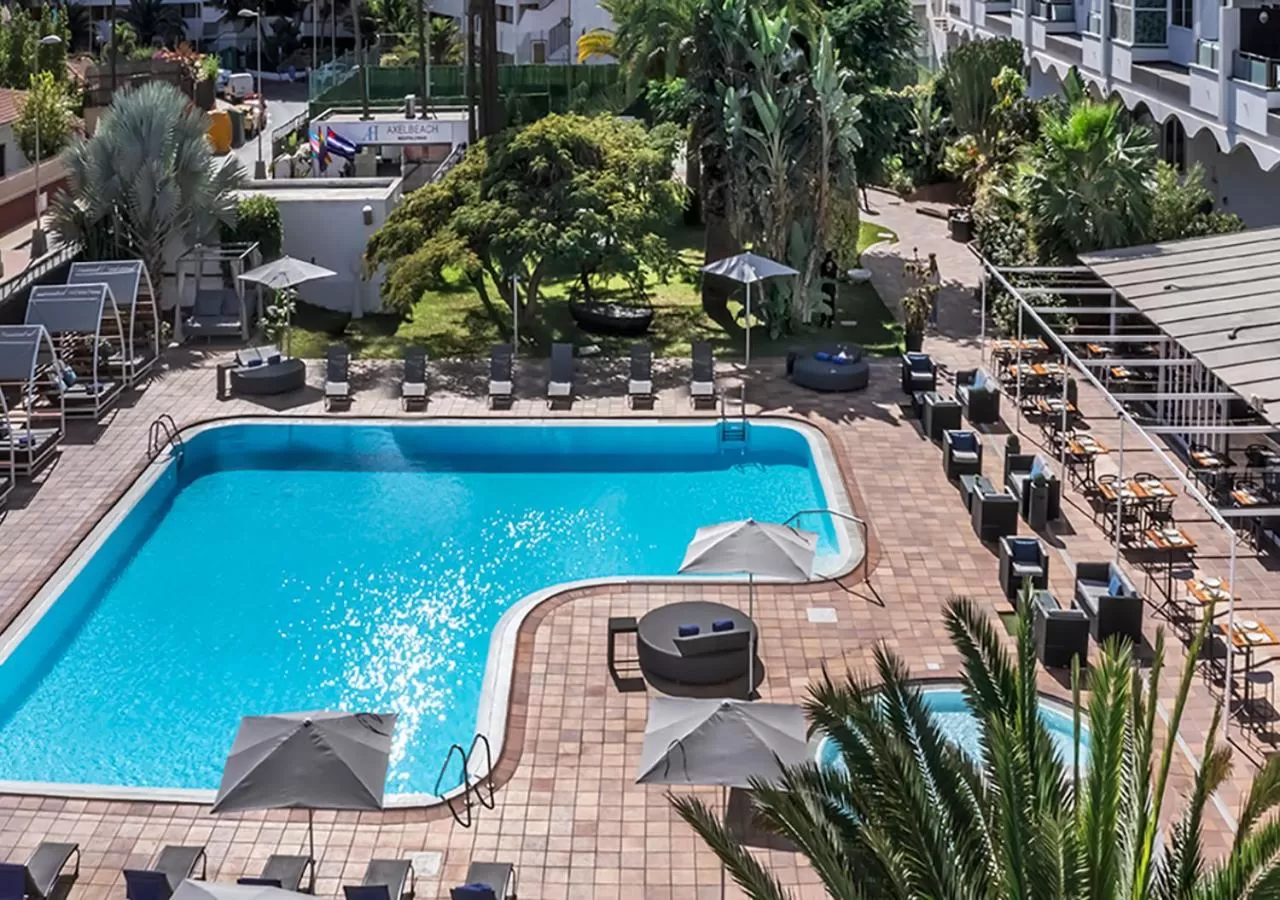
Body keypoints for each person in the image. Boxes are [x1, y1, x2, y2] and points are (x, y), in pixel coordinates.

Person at [818, 250, 839, 329]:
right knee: (830, 304)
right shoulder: (832, 265)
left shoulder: (824, 265)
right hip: (829, 287)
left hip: (826, 287)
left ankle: (825, 320)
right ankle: (828, 320)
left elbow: (822, 275)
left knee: (826, 303)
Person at [926, 252, 941, 329]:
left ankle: (931, 321)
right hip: (932, 290)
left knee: (932, 306)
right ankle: (932, 321)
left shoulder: (933, 271)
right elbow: (938, 280)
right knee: (933, 306)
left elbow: (927, 280)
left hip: (932, 290)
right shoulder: (934, 271)